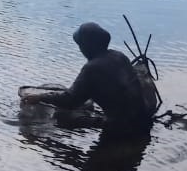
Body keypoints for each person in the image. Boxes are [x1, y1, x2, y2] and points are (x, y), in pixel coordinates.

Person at [21, 22, 154, 130]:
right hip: (144, 116)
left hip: (122, 126)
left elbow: (70, 101)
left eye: (80, 45)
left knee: (62, 115)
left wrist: (40, 97)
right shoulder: (118, 55)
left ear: (86, 47)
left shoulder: (92, 69)